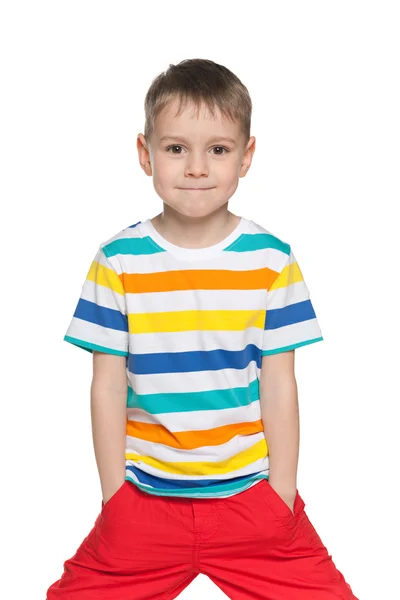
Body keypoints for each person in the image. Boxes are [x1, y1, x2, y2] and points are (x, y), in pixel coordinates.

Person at [46, 58, 358, 599]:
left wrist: (282, 494)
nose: (196, 167)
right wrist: (114, 496)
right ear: (145, 155)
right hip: (144, 502)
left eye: (217, 149)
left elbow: (279, 383)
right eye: (175, 148)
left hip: (252, 502)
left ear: (246, 156)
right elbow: (107, 385)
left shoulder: (272, 260)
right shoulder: (117, 261)